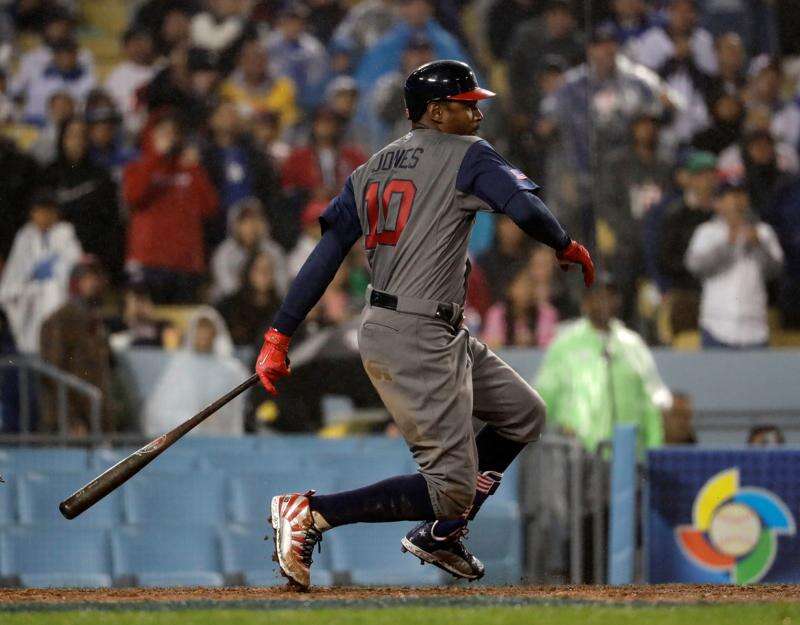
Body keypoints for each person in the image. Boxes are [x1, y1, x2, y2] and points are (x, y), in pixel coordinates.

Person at [255, 60, 595, 590]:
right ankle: (312, 511)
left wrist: (279, 333)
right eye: (465, 104)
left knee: (523, 414)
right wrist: (565, 244)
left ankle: (441, 534)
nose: (477, 111)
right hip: (413, 334)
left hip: (425, 327)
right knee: (450, 489)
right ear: (435, 112)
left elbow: (325, 255)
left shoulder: (369, 168)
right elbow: (526, 211)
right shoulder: (466, 154)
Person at [535, 273, 670, 454]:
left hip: (627, 457)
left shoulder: (633, 345)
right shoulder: (565, 345)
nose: (604, 302)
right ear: (585, 302)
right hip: (576, 457)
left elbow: (651, 404)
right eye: (597, 296)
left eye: (610, 296)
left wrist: (655, 451)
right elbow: (544, 396)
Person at [123, 113, 218, 303]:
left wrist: (195, 169)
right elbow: (134, 196)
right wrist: (156, 158)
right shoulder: (136, 167)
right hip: (148, 264)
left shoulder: (189, 169)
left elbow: (210, 208)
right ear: (150, 135)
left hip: (185, 266)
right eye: (163, 132)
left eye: (173, 133)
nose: (169, 137)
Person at [685, 180, 783, 349]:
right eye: (731, 196)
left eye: (741, 195)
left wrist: (758, 245)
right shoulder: (706, 232)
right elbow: (696, 268)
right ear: (718, 203)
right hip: (716, 325)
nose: (737, 201)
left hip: (755, 325)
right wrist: (727, 244)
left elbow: (775, 271)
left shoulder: (763, 232)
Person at [39, 256, 117, 435]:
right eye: (87, 278)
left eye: (96, 277)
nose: (93, 283)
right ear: (75, 282)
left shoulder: (96, 320)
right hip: (71, 423)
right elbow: (53, 375)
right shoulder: (59, 319)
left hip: (97, 418)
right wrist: (71, 419)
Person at [143, 306, 248, 436]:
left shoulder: (232, 370)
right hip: (184, 439)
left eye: (207, 329)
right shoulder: (179, 366)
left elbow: (237, 414)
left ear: (216, 332)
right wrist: (192, 419)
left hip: (220, 439)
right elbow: (159, 411)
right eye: (200, 328)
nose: (203, 334)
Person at [0, 190, 82, 353]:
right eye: (39, 211)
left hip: (56, 296)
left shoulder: (65, 233)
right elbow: (13, 277)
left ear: (56, 213)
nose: (44, 215)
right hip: (29, 302)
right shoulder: (24, 236)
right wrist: (30, 277)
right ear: (32, 213)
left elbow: (75, 266)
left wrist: (57, 271)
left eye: (48, 211)